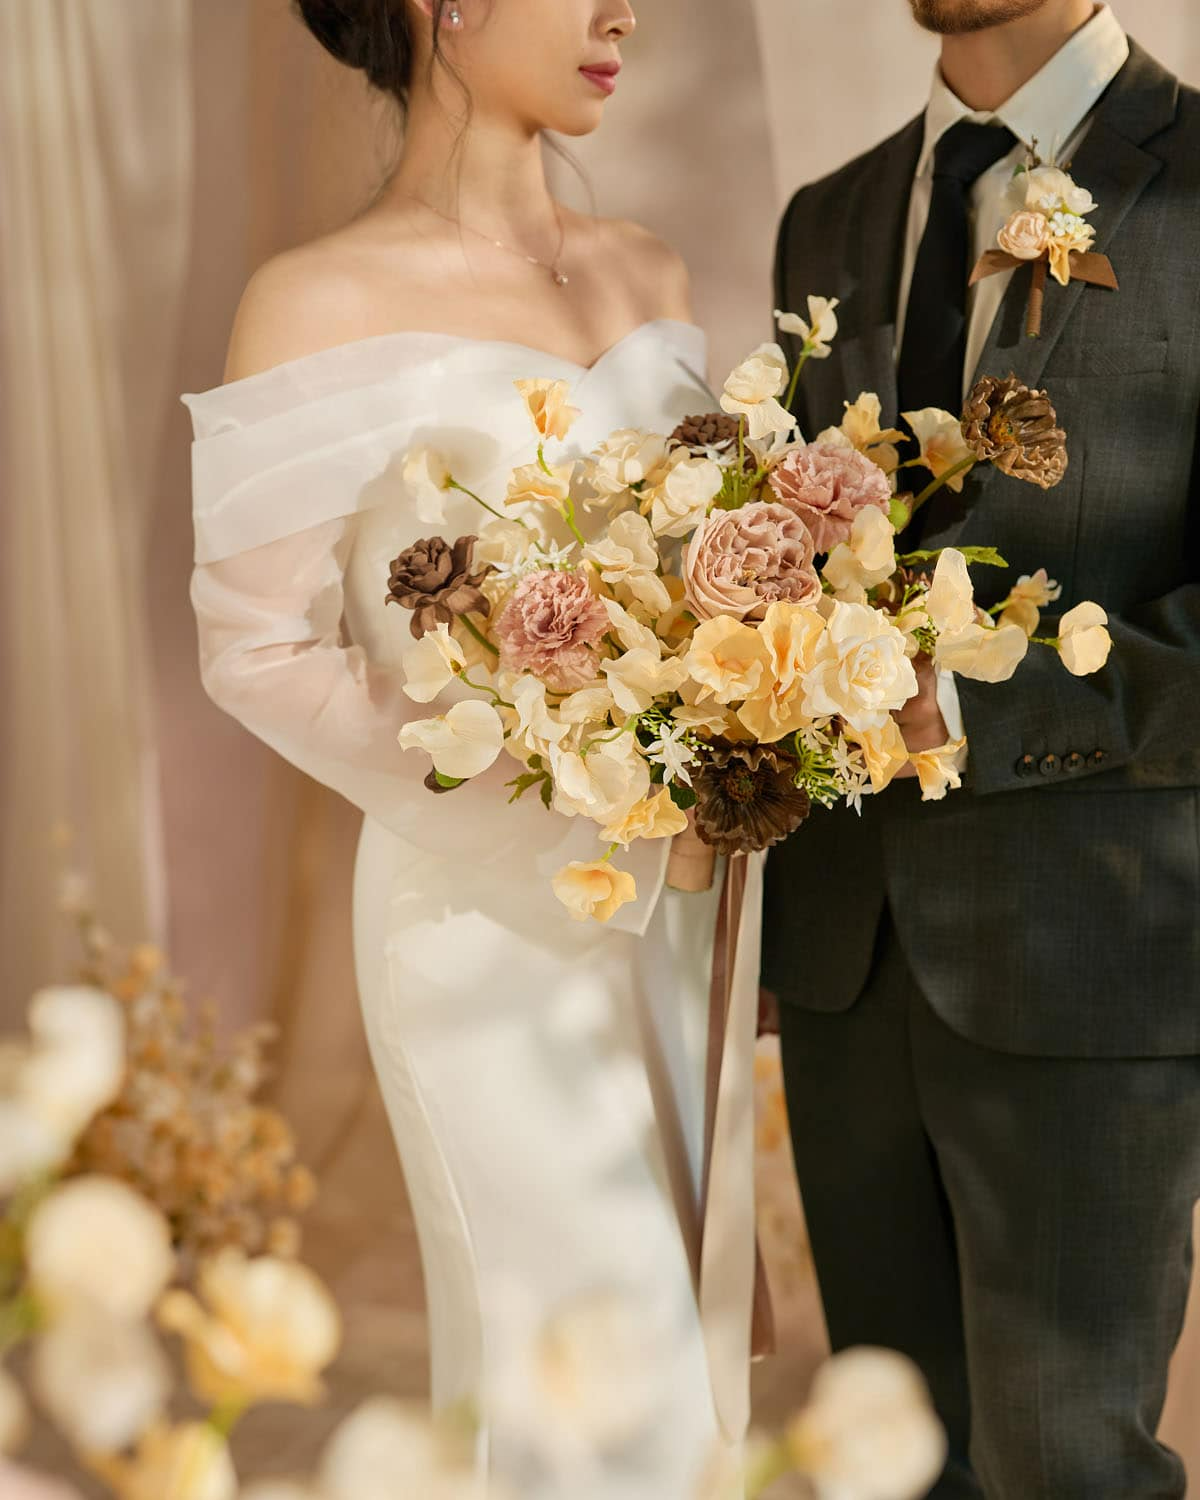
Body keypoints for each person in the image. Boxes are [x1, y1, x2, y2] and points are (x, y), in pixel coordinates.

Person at [182, 2, 759, 1494]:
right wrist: (564, 794)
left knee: (684, 1373)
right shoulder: (315, 299)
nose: (622, 11)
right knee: (580, 1373)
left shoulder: (649, 273)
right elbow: (255, 650)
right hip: (482, 917)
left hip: (677, 918)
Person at [765, 2, 1200, 1496]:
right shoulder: (825, 220)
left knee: (1068, 1467)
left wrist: (972, 711)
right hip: (844, 956)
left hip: (1092, 951)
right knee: (893, 1466)